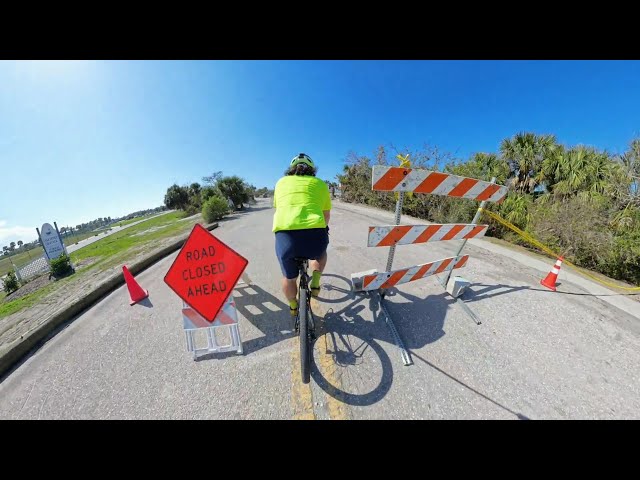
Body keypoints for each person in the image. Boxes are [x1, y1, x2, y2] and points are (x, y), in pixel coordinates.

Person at [273, 153, 331, 316]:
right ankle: (316, 283)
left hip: (286, 238)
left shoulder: (281, 182)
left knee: (289, 278)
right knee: (321, 253)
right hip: (314, 236)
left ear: (291, 169)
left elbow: (279, 209)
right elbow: (326, 216)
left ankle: (293, 306)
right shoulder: (320, 184)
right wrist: (322, 230)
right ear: (312, 169)